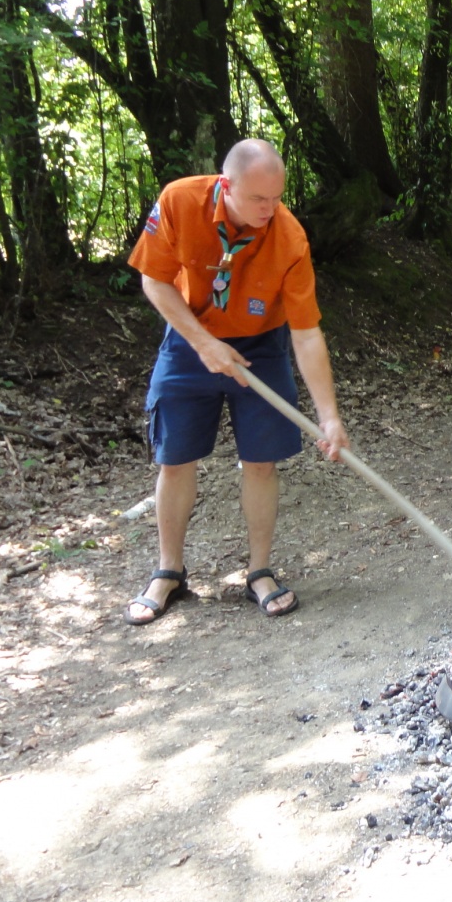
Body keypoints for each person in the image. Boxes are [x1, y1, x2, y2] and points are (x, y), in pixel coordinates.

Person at [123, 139, 349, 624]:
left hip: (260, 347)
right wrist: (204, 343)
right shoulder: (180, 201)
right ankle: (169, 572)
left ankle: (260, 570)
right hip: (188, 341)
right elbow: (154, 280)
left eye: (277, 198)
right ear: (227, 185)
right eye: (257, 199)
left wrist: (329, 417)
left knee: (261, 461)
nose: (270, 210)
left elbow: (306, 334)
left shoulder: (289, 237)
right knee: (176, 458)